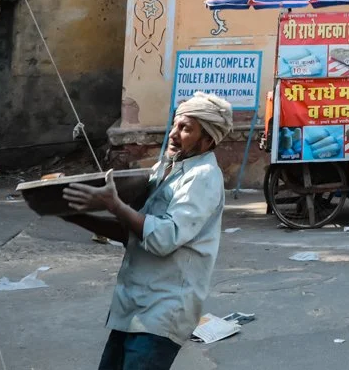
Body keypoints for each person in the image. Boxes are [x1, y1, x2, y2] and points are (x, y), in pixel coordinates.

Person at [68, 92, 232, 369]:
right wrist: (73, 215)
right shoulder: (165, 168)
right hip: (133, 306)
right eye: (175, 125)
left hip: (164, 309)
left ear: (208, 141)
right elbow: (133, 232)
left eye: (186, 129)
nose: (174, 134)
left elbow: (163, 238)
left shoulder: (202, 177)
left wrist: (115, 205)